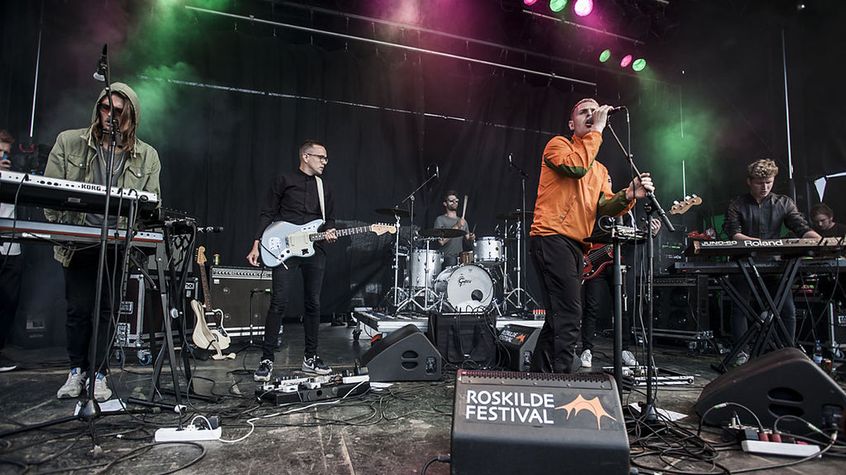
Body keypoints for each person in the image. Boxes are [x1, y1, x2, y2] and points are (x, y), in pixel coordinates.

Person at [44, 83, 161, 401]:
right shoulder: (70, 142)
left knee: (107, 311)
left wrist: (131, 236)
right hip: (78, 241)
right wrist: (63, 232)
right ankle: (75, 372)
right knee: (78, 310)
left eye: (119, 111)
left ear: (131, 116)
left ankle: (99, 374)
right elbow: (49, 195)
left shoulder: (147, 156)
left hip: (115, 245)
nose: (110, 116)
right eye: (105, 108)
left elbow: (152, 205)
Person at [529, 98, 654, 373]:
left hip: (576, 245)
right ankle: (559, 382)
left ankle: (538, 379)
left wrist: (628, 195)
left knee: (558, 318)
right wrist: (596, 131)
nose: (591, 114)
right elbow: (575, 167)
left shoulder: (600, 171)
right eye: (583, 111)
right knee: (571, 315)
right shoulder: (558, 146)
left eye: (594, 111)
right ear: (572, 124)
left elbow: (604, 207)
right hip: (551, 236)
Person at [247, 140, 338, 381]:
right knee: (279, 302)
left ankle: (311, 357)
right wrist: (257, 242)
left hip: (313, 248)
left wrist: (329, 231)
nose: (324, 162)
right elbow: (267, 212)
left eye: (326, 158)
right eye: (321, 157)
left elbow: (329, 219)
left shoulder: (324, 187)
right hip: (285, 248)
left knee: (313, 304)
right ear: (306, 156)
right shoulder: (284, 180)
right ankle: (267, 359)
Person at [723, 159, 821, 365]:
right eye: (760, 182)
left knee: (787, 309)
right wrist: (762, 243)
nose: (765, 187)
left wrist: (819, 239)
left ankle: (786, 352)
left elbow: (800, 227)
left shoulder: (784, 202)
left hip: (774, 265)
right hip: (744, 263)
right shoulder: (737, 204)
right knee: (740, 308)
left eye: (769, 182)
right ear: (749, 181)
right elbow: (734, 233)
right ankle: (741, 353)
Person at [0, 129, 21, 372]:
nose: (4, 157)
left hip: (11, 248)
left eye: (6, 153)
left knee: (7, 301)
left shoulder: (14, 176)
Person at [434, 191, 475, 267]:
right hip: (446, 258)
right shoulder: (440, 219)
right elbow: (441, 242)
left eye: (456, 201)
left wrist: (471, 237)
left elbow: (468, 240)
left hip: (460, 258)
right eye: (451, 201)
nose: (454, 202)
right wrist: (457, 226)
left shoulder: (463, 221)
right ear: (445, 204)